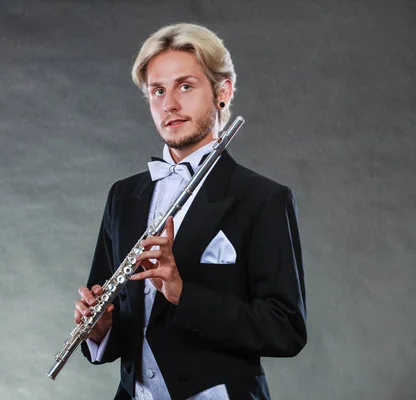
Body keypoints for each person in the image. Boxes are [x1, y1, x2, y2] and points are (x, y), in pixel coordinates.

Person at [73, 22, 307, 400]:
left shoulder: (263, 199)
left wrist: (183, 292)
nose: (170, 105)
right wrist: (100, 330)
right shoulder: (123, 196)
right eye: (158, 91)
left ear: (222, 92)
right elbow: (122, 321)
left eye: (185, 86)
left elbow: (286, 328)